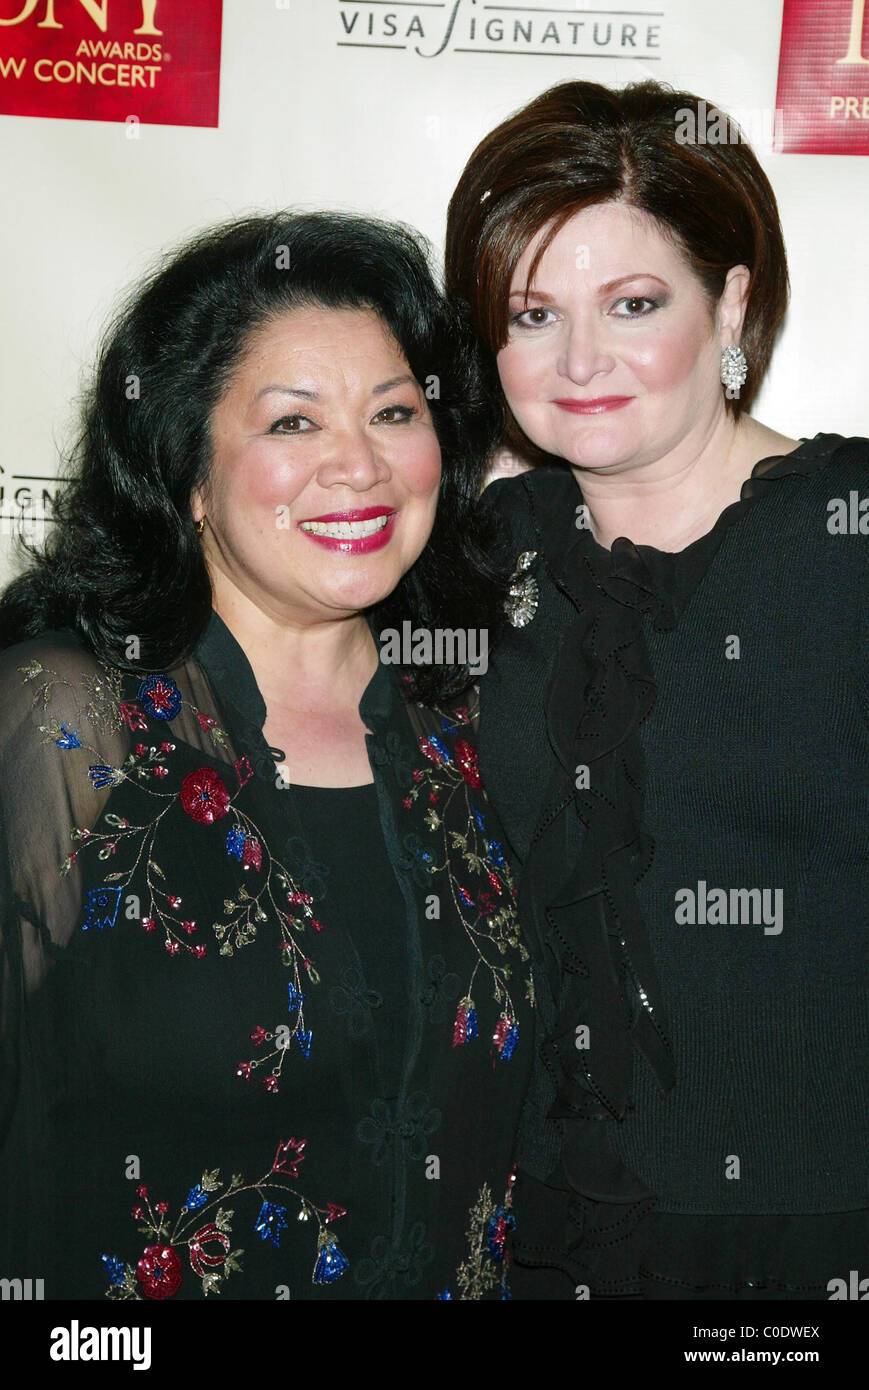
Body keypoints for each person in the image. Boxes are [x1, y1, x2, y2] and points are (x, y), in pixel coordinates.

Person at [0, 211, 534, 1301]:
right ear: (187, 472)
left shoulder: (472, 727)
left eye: (394, 412)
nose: (359, 464)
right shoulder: (66, 720)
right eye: (292, 424)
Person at [445, 79, 869, 1300]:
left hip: (811, 1245)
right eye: (532, 315)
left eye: (633, 304)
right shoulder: (477, 552)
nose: (579, 360)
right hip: (538, 1236)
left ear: (729, 300)